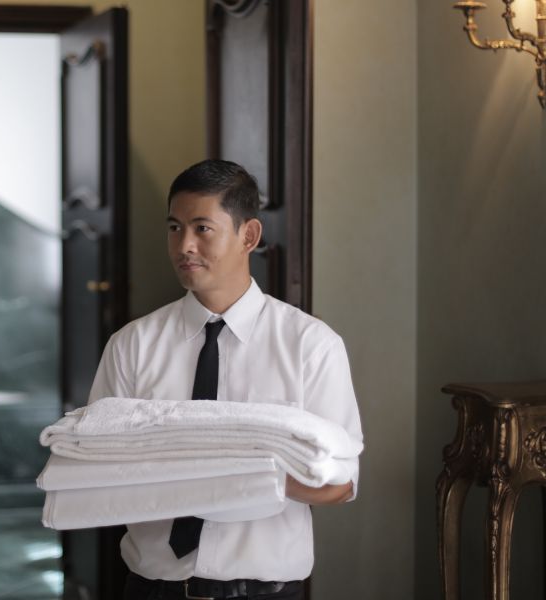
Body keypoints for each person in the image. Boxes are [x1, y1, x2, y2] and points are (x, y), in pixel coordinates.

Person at [86, 159, 364, 600]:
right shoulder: (132, 345)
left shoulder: (310, 345)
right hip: (151, 589)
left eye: (202, 228)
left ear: (248, 236)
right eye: (175, 228)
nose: (184, 246)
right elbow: (96, 464)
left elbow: (340, 482)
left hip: (263, 591)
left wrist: (240, 478)